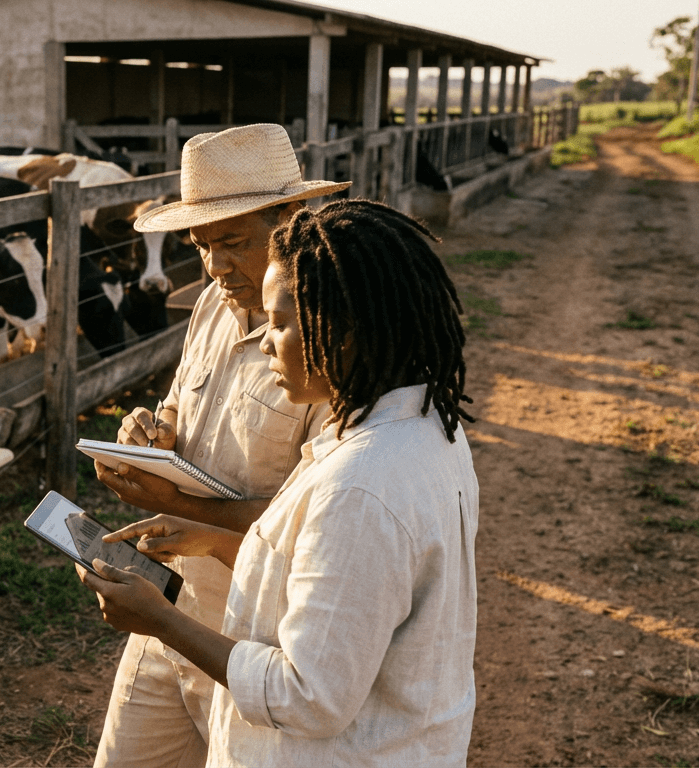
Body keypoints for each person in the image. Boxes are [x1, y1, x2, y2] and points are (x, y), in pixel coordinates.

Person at [80, 199, 480, 766]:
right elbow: (328, 567)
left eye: (285, 324)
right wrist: (211, 540)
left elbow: (308, 695)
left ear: (342, 330)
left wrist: (160, 621)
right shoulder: (422, 426)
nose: (267, 342)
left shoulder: (360, 485)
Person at [87, 124, 350, 768]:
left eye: (232, 241)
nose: (214, 265)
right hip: (170, 600)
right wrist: (146, 433)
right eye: (200, 244)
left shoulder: (331, 345)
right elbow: (179, 405)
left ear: (293, 220)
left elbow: (311, 526)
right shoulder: (211, 302)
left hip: (253, 637)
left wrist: (182, 505)